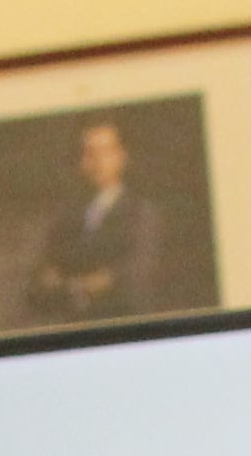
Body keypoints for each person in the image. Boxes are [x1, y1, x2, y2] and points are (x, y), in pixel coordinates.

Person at [25, 115, 169, 321]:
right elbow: (40, 282)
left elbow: (135, 278)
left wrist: (73, 285)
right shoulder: (66, 219)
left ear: (121, 156)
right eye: (89, 154)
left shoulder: (141, 214)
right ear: (80, 161)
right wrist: (80, 285)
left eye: (105, 152)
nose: (97, 162)